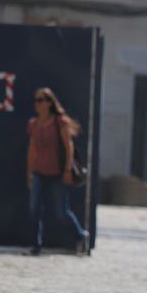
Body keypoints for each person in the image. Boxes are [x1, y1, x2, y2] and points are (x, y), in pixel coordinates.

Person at [25, 87, 89, 256]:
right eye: (36, 101)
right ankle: (36, 245)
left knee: (61, 212)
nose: (37, 104)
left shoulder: (60, 122)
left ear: (49, 102)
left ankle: (80, 235)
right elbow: (32, 150)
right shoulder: (34, 124)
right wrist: (30, 172)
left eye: (41, 100)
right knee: (34, 209)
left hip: (57, 173)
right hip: (39, 171)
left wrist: (67, 170)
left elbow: (69, 146)